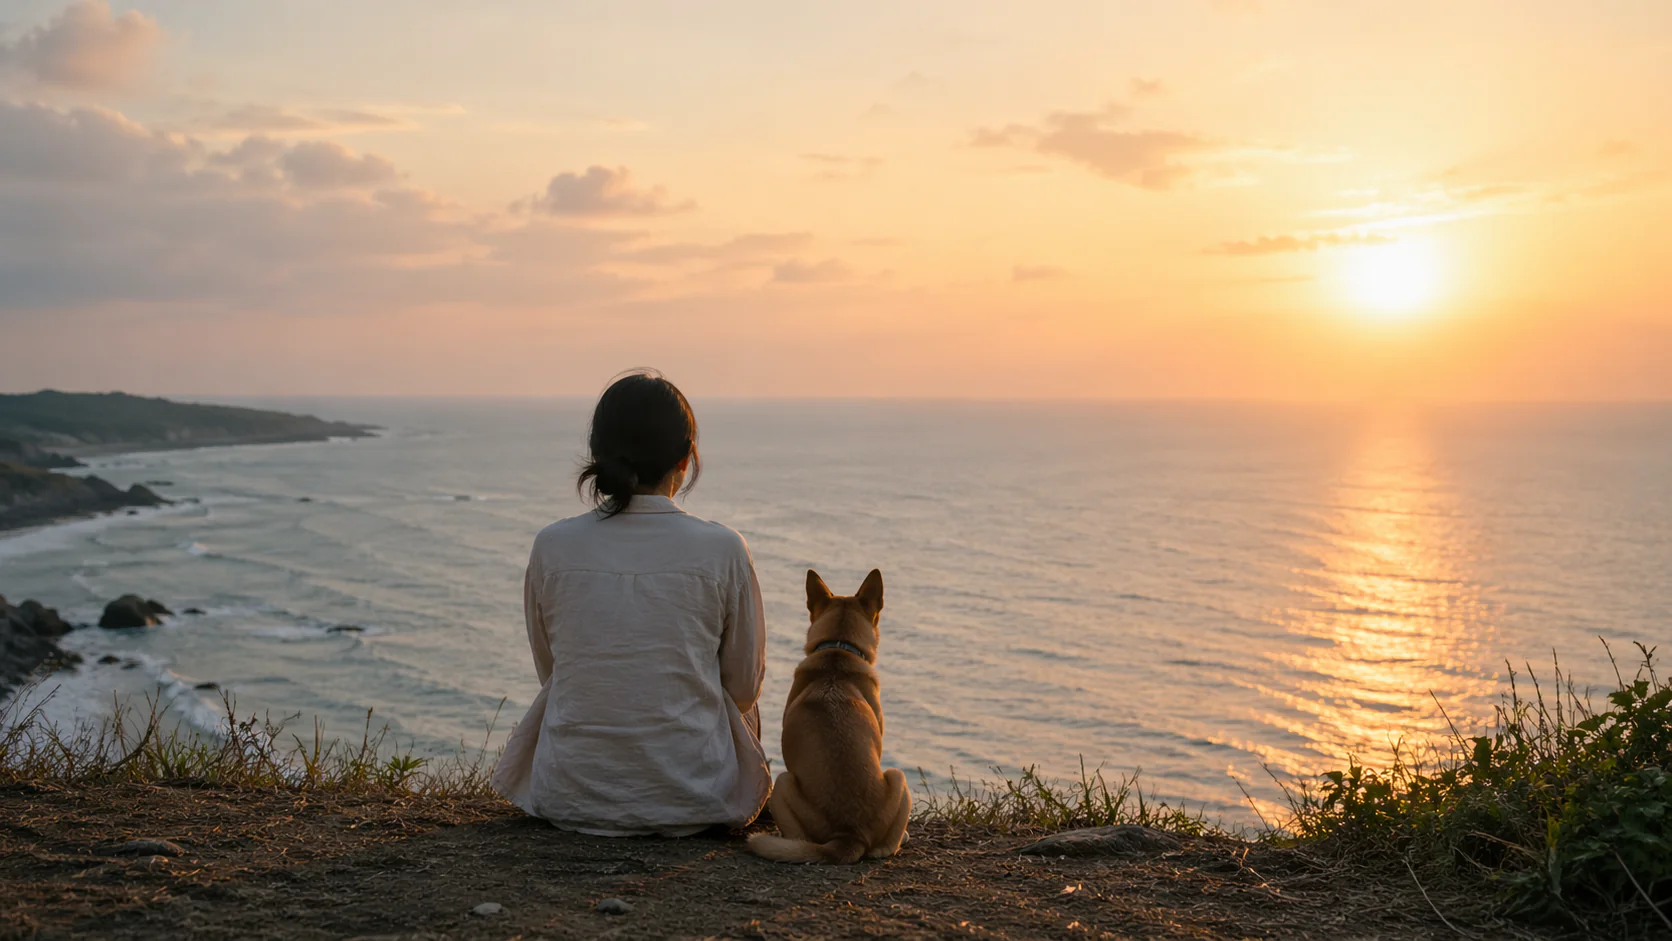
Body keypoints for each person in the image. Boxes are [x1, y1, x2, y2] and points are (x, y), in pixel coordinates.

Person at [492, 371, 771, 836]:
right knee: (741, 697)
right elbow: (743, 687)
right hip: (695, 801)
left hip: (568, 796)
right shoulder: (723, 549)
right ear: (686, 460)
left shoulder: (552, 546)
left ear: (598, 456)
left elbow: (553, 672)